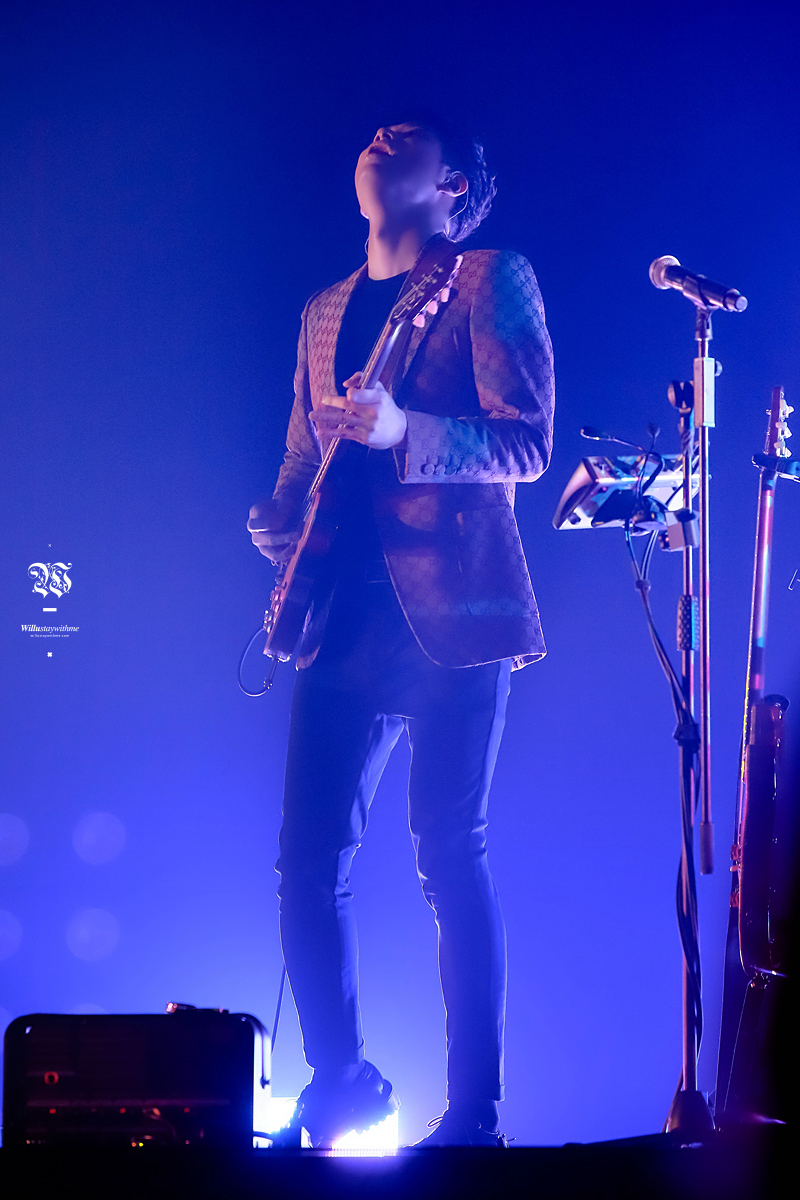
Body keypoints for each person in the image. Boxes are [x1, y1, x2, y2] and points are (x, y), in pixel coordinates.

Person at [248, 112, 554, 1148]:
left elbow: (527, 444)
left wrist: (403, 431)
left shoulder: (488, 277)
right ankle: (342, 1081)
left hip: (458, 609)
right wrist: (278, 516)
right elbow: (303, 456)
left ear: (452, 187)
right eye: (378, 131)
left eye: (409, 135)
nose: (382, 133)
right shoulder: (324, 309)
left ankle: (474, 1117)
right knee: (305, 862)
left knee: (449, 853)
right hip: (343, 617)